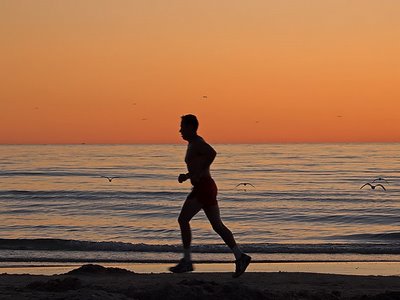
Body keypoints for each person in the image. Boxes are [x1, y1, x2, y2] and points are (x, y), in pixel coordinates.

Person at [169, 114, 251, 278]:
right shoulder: (193, 144)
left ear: (191, 127)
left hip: (204, 187)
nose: (180, 130)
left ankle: (187, 261)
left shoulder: (198, 143)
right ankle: (240, 256)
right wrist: (187, 176)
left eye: (183, 127)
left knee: (183, 219)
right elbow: (198, 166)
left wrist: (198, 172)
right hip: (205, 186)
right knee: (217, 225)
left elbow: (212, 153)